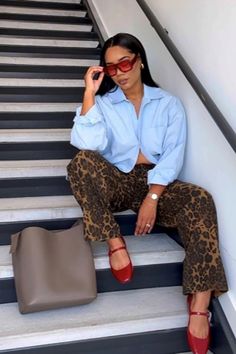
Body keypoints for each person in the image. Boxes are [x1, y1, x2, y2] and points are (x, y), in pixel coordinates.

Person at [67, 33, 228, 354]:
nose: (120, 72)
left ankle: (199, 301)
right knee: (80, 163)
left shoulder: (168, 103)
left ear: (139, 60)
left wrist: (153, 198)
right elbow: (87, 144)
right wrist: (89, 93)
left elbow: (173, 154)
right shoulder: (102, 104)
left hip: (156, 180)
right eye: (111, 68)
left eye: (125, 63)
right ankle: (114, 240)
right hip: (118, 180)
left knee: (200, 199)